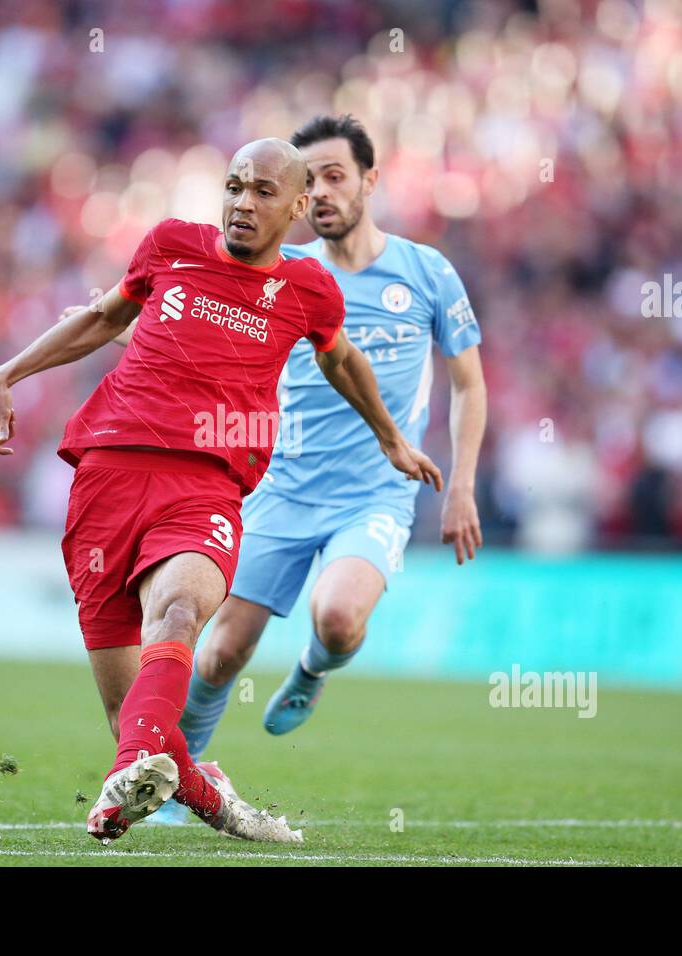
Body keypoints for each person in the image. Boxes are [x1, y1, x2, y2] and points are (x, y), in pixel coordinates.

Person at [0, 137, 441, 843]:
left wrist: (389, 435)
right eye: (233, 186)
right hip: (106, 476)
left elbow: (341, 358)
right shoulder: (170, 245)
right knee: (131, 714)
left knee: (178, 613)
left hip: (205, 487)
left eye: (261, 192)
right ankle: (213, 797)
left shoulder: (309, 289)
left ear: (295, 209)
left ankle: (139, 771)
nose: (242, 203)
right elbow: (104, 319)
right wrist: (7, 373)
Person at [171, 114, 487, 783]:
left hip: (375, 490)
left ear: (370, 181)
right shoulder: (279, 272)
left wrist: (461, 486)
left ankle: (313, 669)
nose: (319, 193)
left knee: (339, 618)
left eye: (335, 176)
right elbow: (197, 337)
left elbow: (468, 382)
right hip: (283, 487)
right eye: (307, 181)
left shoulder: (427, 273)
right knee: (219, 653)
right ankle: (180, 775)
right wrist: (110, 327)